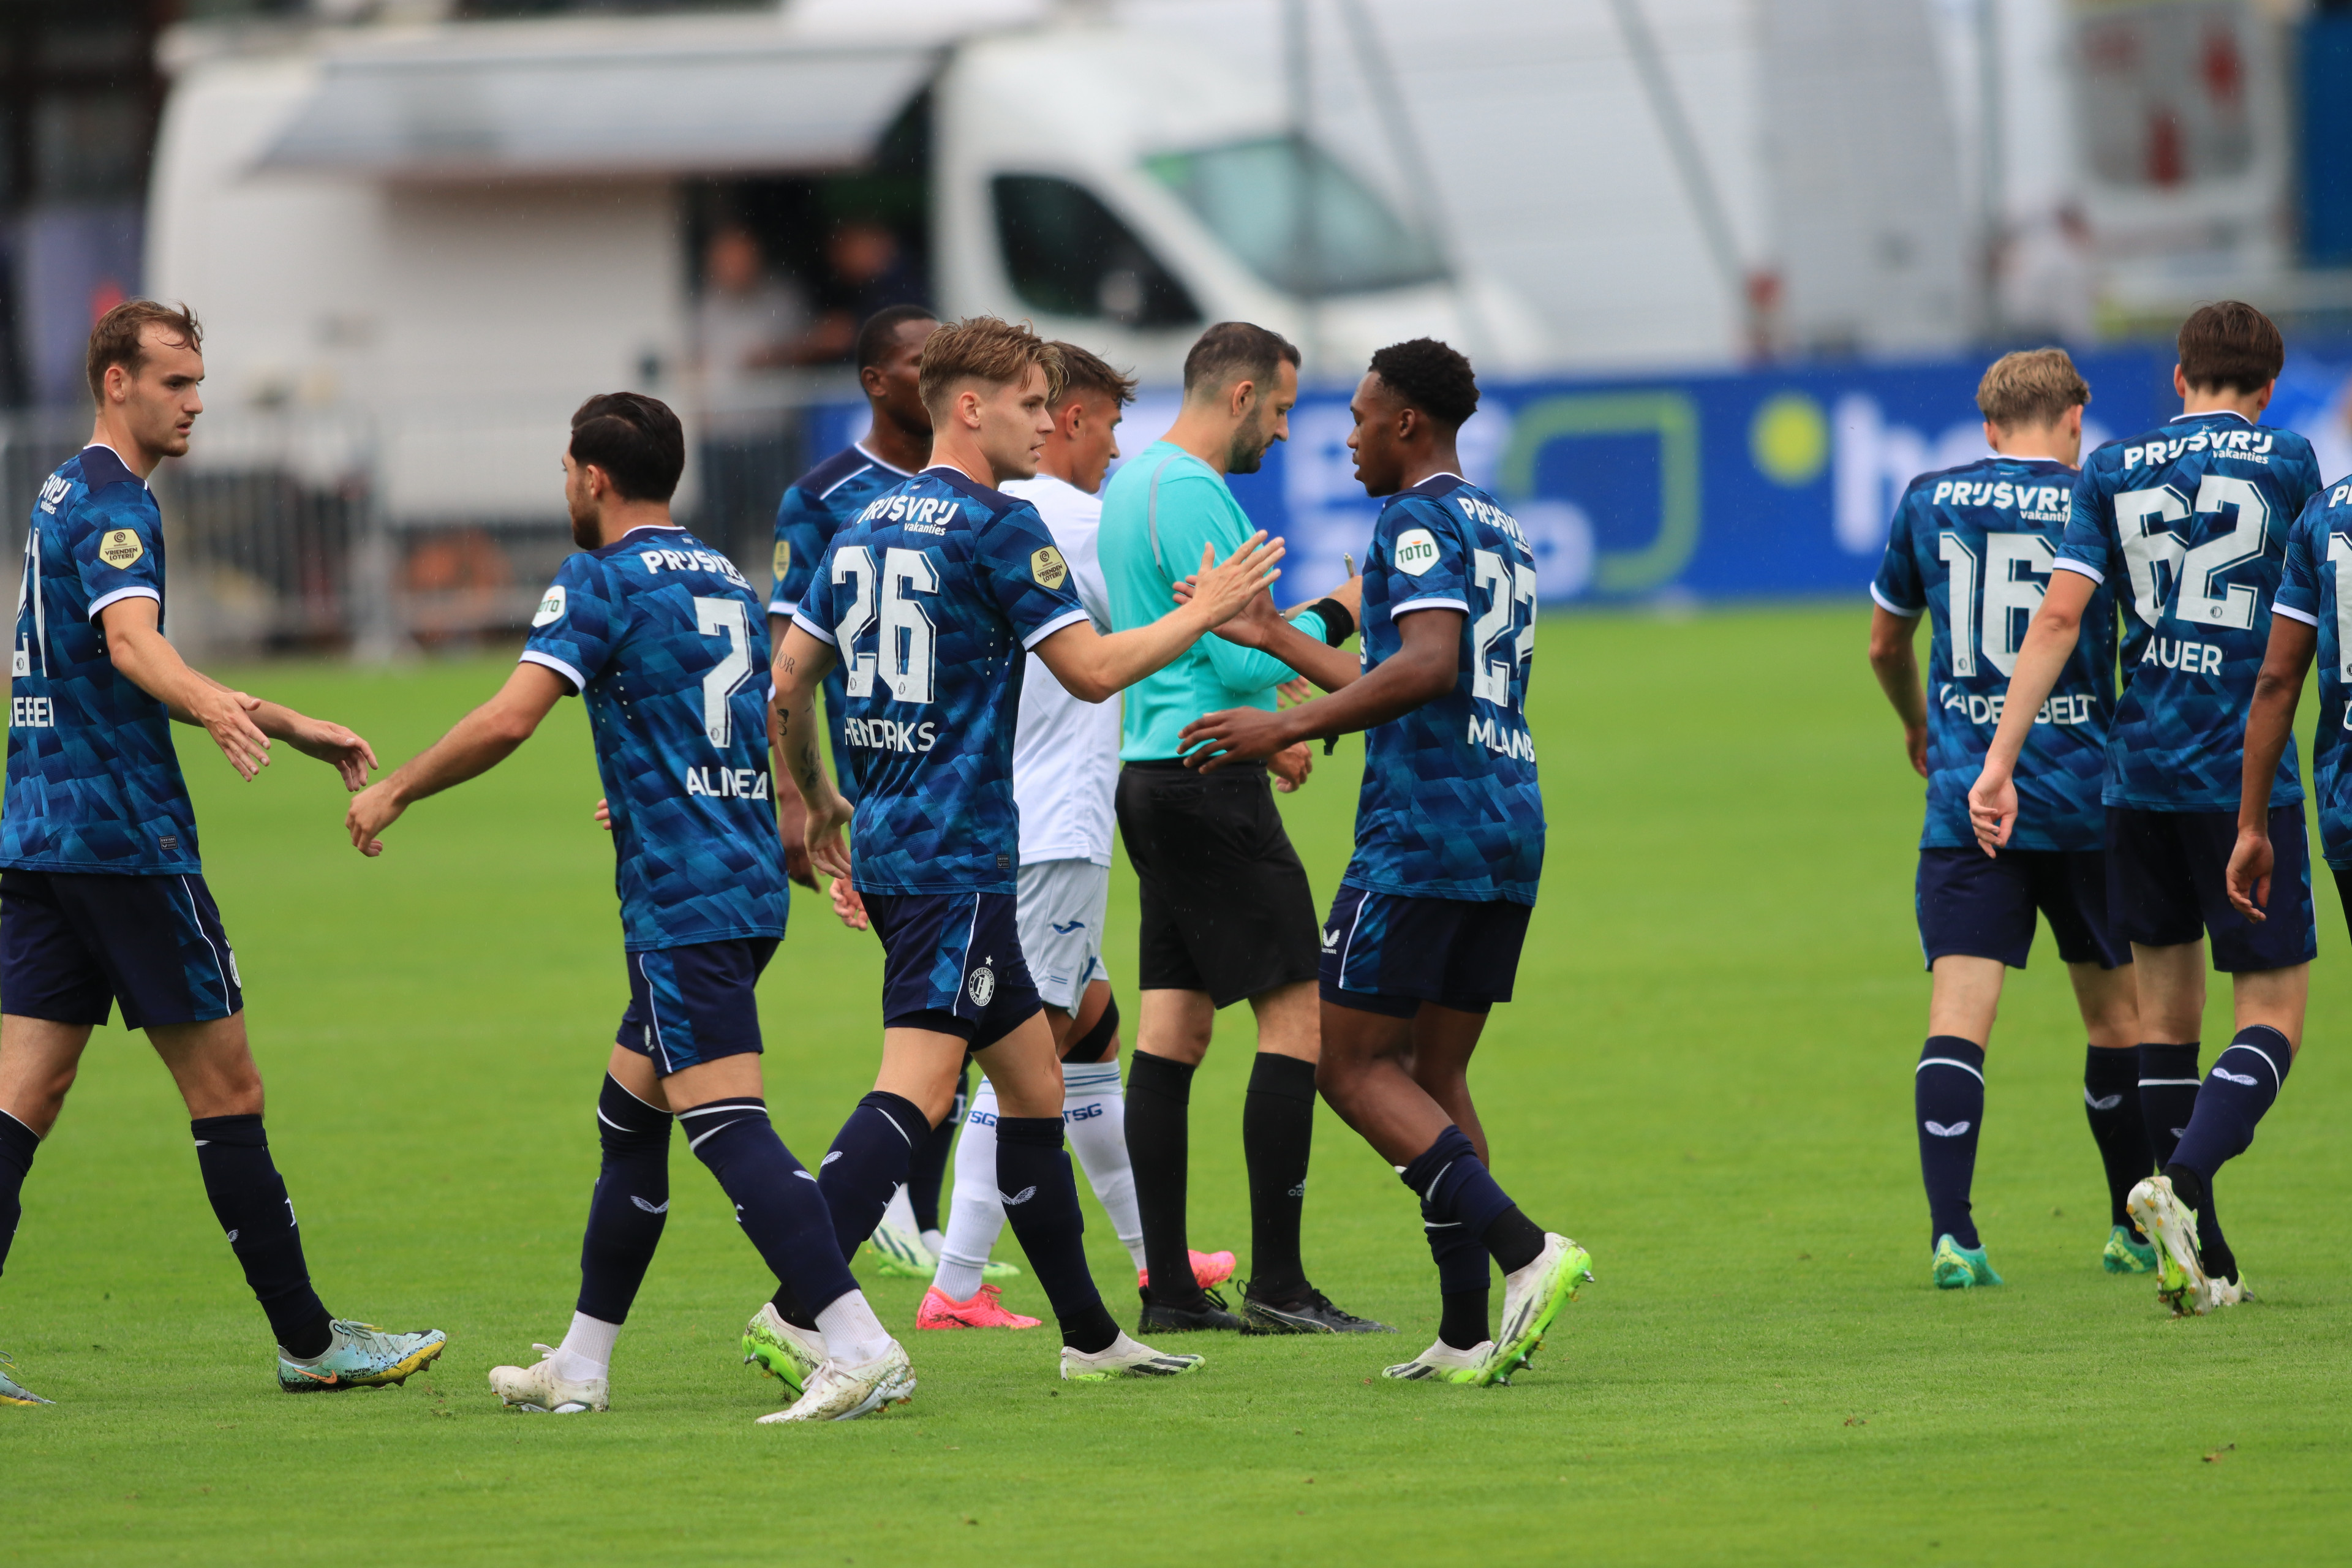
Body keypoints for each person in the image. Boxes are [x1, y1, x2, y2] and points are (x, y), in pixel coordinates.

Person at [344, 393, 910, 1423]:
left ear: (591, 477)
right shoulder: (725, 577)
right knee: (629, 1116)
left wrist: (397, 788)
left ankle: (856, 1341)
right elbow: (758, 718)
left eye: (567, 472)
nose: (566, 488)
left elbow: (512, 719)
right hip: (736, 878)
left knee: (729, 1127)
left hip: (682, 897)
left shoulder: (597, 578)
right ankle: (582, 1362)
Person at [748, 316, 1280, 1383]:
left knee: (1039, 1085)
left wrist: (817, 805)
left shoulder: (854, 520)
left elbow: (788, 683)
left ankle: (1091, 1338)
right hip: (956, 853)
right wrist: (1210, 611)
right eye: (1033, 403)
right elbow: (1091, 670)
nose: (1050, 421)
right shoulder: (997, 528)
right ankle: (798, 1304)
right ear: (971, 406)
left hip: (915, 844)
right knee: (919, 1086)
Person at [0, 300, 444, 1406]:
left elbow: (123, 659)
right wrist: (218, 707)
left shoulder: (63, 486)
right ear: (116, 382)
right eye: (175, 382)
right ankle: (309, 1340)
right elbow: (134, 642)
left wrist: (293, 725)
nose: (196, 402)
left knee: (25, 1096)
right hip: (125, 841)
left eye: (199, 381)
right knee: (227, 1086)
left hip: (38, 833)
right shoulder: (113, 506)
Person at [1172, 338, 1588, 1386]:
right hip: (1507, 816)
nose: (1346, 437)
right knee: (1436, 1073)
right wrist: (1273, 636)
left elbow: (1428, 666)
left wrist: (1285, 728)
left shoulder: (1410, 518)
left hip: (1423, 831)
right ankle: (1465, 1331)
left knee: (1349, 1065)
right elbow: (1406, 662)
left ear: (1406, 423)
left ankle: (1526, 1251)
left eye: (1358, 418)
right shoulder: (1497, 523)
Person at [1969, 302, 2323, 1316]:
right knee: (2274, 1014)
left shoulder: (2113, 469)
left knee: (2166, 1022)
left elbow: (2063, 614)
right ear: (2267, 384)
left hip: (2136, 778)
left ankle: (2199, 1259)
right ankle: (2188, 1182)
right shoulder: (2291, 461)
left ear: (2178, 378)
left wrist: (2000, 761)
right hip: (2242, 778)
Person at [914, 341, 1232, 1330]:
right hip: (1055, 821)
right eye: (1079, 416)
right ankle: (956, 1283)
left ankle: (1155, 1258)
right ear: (1074, 417)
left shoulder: (967, 521)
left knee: (1090, 1031)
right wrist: (1271, 685)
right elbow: (1166, 632)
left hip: (1002, 809)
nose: (1097, 441)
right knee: (1029, 1050)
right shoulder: (1074, 524)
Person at [1097, 320, 1379, 1336]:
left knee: (1174, 1027)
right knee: (1297, 1019)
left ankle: (1170, 1288)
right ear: (1240, 394)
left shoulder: (1133, 485)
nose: (1288, 429)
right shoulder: (1197, 493)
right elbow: (1240, 658)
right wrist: (1340, 616)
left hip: (1151, 770)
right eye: (1284, 407)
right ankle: (1281, 1286)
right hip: (1209, 774)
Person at [1866, 348, 2147, 1289]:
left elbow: (1883, 641)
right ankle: (2127, 1225)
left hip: (1967, 802)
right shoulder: (2098, 499)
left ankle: (1955, 1234)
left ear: (1989, 427)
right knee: (2116, 1020)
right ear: (2077, 417)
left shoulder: (1928, 499)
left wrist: (1917, 721)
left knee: (1958, 1020)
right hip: (2084, 799)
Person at [767, 304, 973, 1280]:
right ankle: (889, 1214)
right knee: (942, 1019)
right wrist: (797, 801)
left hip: (959, 779)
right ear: (877, 382)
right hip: (888, 788)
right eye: (918, 360)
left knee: (970, 1020)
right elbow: (788, 663)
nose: (935, 372)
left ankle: (926, 1225)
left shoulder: (970, 488)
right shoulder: (824, 496)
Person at [693, 225, 811, 565]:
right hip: (720, 433)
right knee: (721, 524)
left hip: (770, 430)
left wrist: (773, 356)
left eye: (741, 260)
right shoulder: (705, 305)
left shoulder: (781, 298)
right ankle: (727, 590)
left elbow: (807, 347)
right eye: (725, 261)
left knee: (782, 516)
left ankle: (790, 594)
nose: (734, 269)